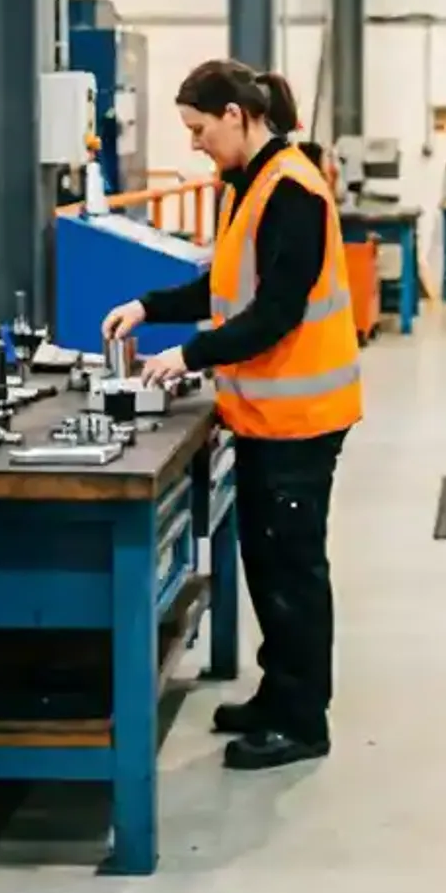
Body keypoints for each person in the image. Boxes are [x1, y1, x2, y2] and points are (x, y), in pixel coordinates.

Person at [102, 59, 361, 771]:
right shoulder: (248, 185)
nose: (193, 145)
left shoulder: (295, 191)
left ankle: (304, 719)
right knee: (265, 563)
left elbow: (275, 312)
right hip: (261, 417)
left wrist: (187, 355)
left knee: (294, 569)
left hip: (303, 417)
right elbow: (222, 285)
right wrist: (151, 307)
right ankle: (278, 695)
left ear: (238, 117)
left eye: (198, 129)